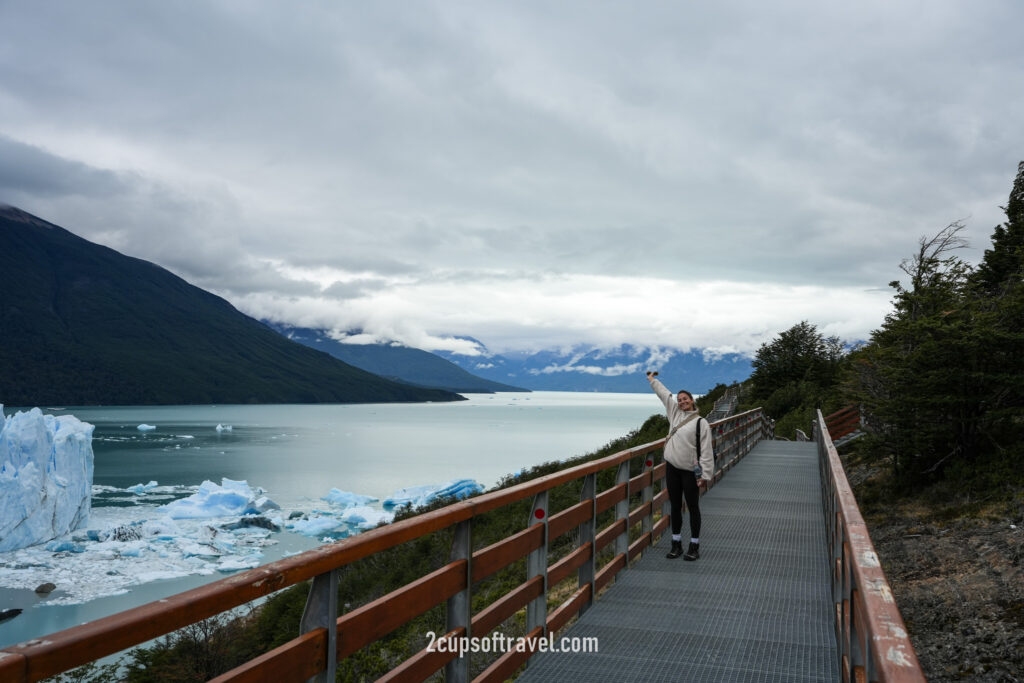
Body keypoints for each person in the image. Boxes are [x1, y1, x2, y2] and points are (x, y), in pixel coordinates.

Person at [647, 371, 714, 560]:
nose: (682, 401)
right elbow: (664, 395)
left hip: (690, 472)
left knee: (693, 507)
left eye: (685, 399)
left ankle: (694, 545)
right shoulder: (674, 414)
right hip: (672, 469)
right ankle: (676, 544)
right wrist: (652, 380)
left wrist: (705, 475)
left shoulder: (701, 423)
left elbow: (707, 451)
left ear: (692, 400)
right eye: (680, 399)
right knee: (675, 506)